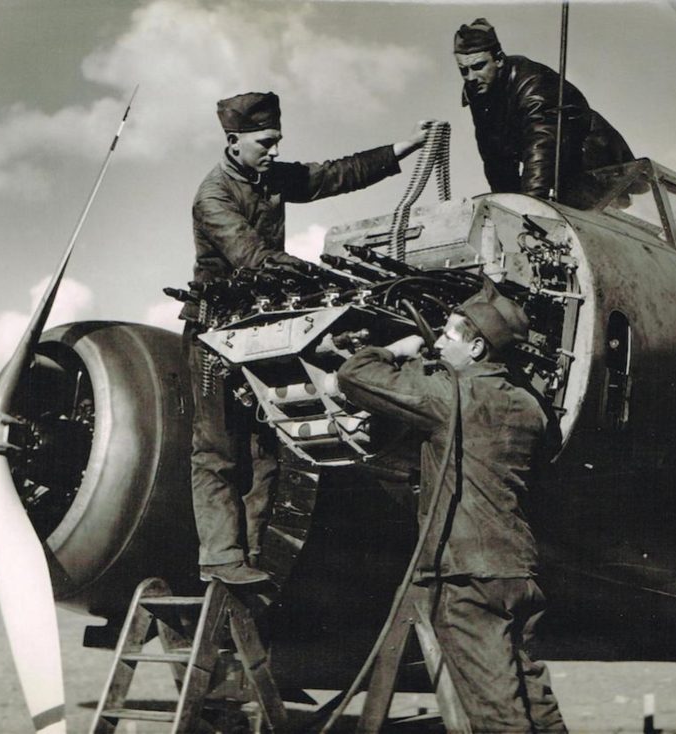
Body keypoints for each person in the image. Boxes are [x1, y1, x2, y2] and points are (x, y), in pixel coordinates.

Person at [185, 90, 430, 585]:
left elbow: (332, 175)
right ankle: (219, 556)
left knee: (267, 451)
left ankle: (248, 558)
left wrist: (401, 149)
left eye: (277, 141)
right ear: (234, 141)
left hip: (259, 331)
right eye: (265, 142)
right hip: (215, 334)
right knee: (216, 450)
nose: (274, 151)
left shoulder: (270, 177)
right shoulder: (213, 196)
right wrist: (332, 282)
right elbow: (253, 256)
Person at [336, 279, 567, 733]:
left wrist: (399, 349)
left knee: (497, 713)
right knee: (533, 695)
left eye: (448, 335)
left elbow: (353, 375)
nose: (438, 342)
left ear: (477, 347)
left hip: (467, 579)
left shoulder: (447, 395)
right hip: (516, 573)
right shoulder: (532, 409)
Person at [455, 17, 633, 200]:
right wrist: (505, 208)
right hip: (554, 170)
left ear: (499, 59)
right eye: (463, 70)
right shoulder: (478, 92)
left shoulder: (533, 85)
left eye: (478, 66)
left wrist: (528, 206)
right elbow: (496, 160)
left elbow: (541, 145)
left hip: (596, 165)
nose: (470, 77)